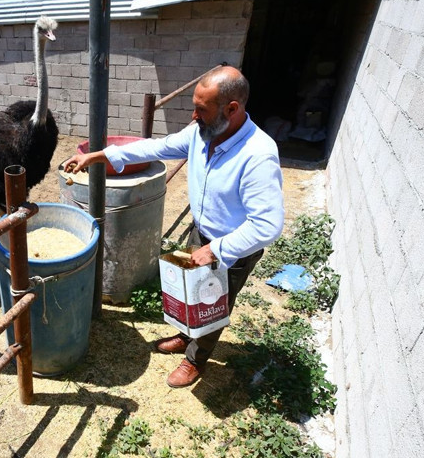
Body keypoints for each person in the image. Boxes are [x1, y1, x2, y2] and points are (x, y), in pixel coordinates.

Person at [63, 65, 284, 388]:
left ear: (232, 109)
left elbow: (267, 224)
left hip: (232, 248)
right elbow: (156, 147)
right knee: (191, 292)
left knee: (212, 304)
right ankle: (185, 335)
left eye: (201, 109)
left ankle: (195, 360)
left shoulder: (258, 155)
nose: (193, 116)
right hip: (202, 232)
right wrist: (100, 156)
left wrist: (216, 250)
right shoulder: (201, 134)